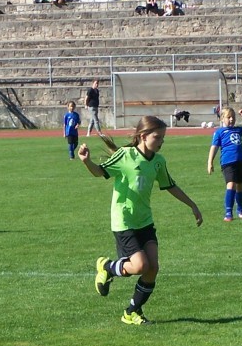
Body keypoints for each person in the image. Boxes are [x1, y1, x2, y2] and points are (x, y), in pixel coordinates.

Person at [80, 116, 203, 325]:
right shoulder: (124, 156)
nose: (161, 141)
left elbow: (170, 185)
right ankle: (107, 267)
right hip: (124, 221)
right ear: (143, 136)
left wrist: (192, 205)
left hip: (145, 220)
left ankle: (131, 311)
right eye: (158, 137)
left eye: (163, 137)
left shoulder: (158, 162)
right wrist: (87, 161)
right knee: (139, 266)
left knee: (152, 268)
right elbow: (100, 172)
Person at [207, 107, 242, 221]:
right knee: (231, 185)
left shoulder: (238, 130)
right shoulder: (219, 132)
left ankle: (240, 209)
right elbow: (214, 147)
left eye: (233, 117)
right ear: (222, 119)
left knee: (240, 186)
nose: (231, 120)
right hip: (228, 163)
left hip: (240, 161)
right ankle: (228, 212)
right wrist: (210, 162)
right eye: (228, 117)